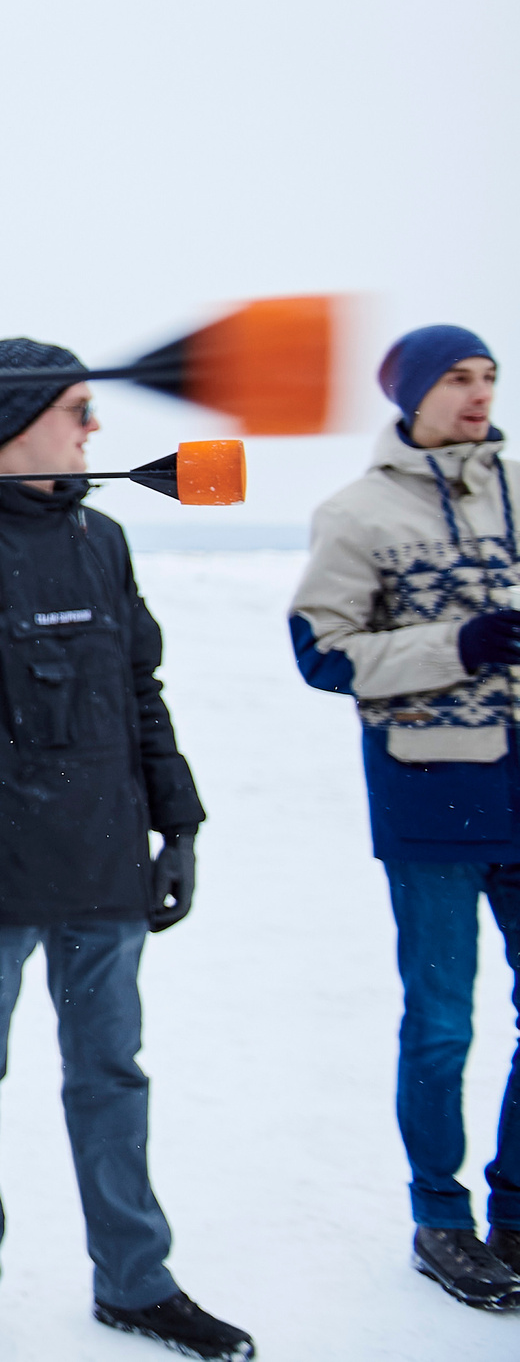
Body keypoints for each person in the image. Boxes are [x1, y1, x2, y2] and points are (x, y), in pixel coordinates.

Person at [0, 326, 251, 1362]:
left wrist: (180, 825)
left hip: (105, 869)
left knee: (110, 1077)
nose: (93, 429)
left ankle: (134, 1280)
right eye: (77, 411)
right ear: (16, 426)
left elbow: (140, 692)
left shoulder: (101, 540)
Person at [289, 325, 520, 1311]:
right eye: (457, 379)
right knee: (439, 1024)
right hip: (431, 797)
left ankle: (513, 1210)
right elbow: (322, 656)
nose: (477, 394)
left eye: (488, 377)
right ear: (413, 393)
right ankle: (440, 1219)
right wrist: (457, 645)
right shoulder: (355, 515)